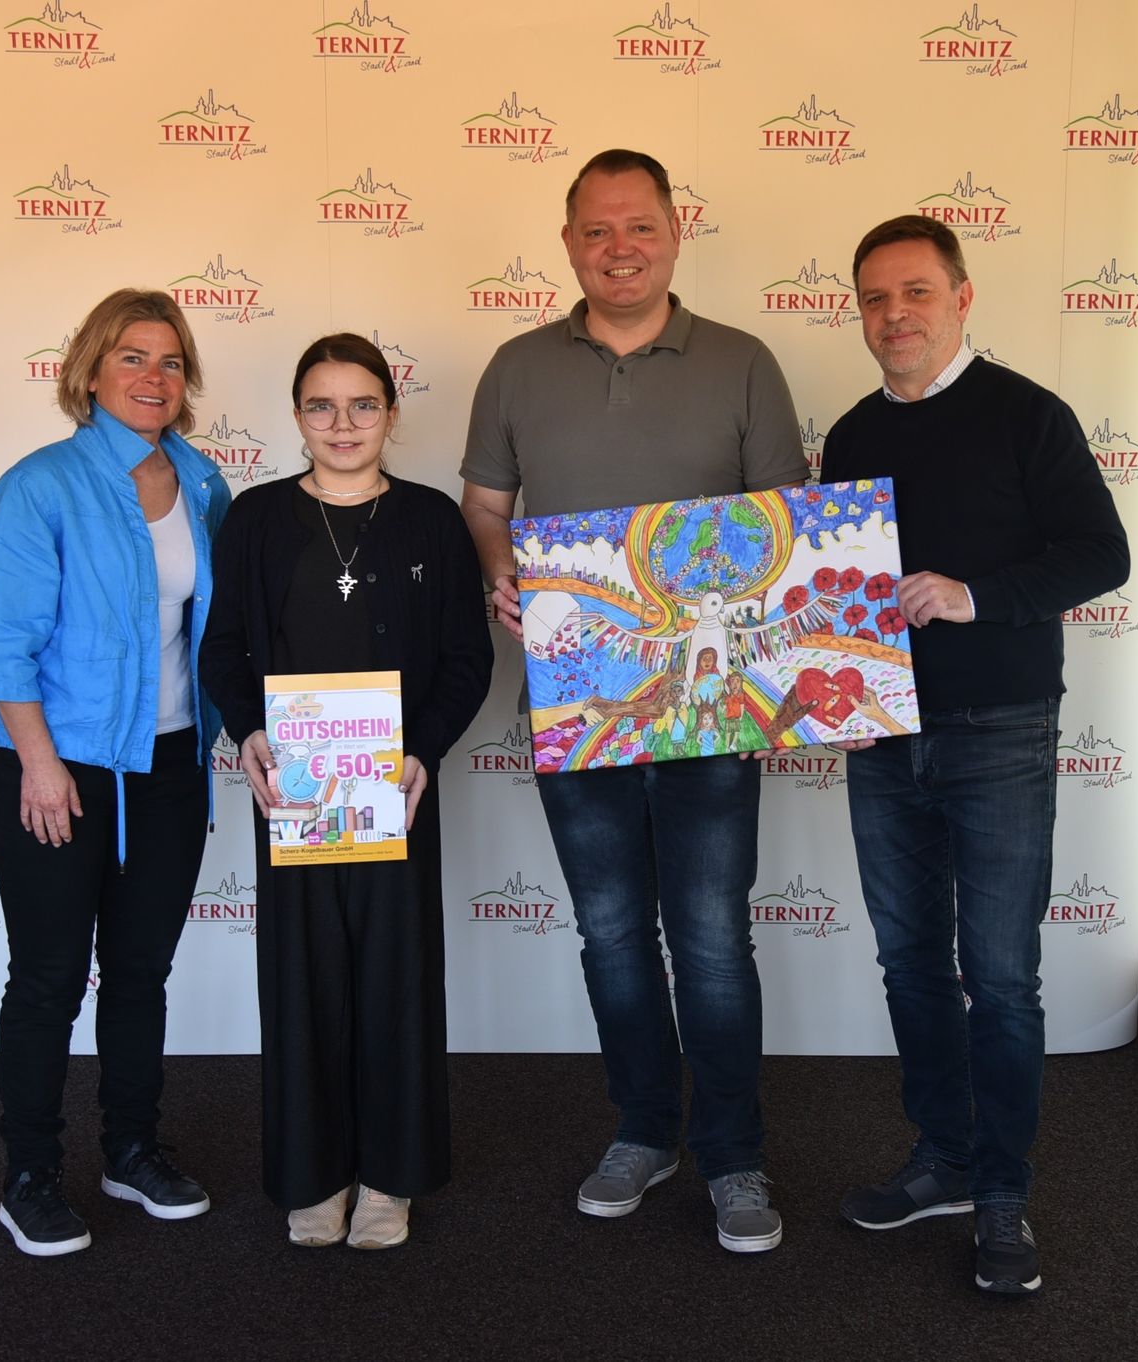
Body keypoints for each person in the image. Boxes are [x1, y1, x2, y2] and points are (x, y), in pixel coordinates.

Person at [460, 149, 806, 1252]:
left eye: (640, 227)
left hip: (712, 704)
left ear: (673, 233)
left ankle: (737, 1157)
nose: (620, 247)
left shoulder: (745, 362)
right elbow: (484, 503)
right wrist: (499, 573)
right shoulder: (515, 366)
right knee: (610, 930)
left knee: (709, 935)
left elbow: (782, 527)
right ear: (568, 241)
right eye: (598, 229)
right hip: (577, 695)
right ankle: (644, 1131)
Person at [821, 216, 1129, 1294]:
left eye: (913, 292)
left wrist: (976, 596)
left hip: (999, 731)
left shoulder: (1026, 415)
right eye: (872, 298)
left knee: (1000, 978)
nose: (892, 315)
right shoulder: (852, 436)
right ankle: (942, 1159)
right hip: (879, 731)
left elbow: (1104, 552)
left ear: (960, 296)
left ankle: (1002, 1194)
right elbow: (835, 590)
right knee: (910, 964)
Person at [200, 333, 491, 1250]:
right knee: (304, 979)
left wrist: (425, 753)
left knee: (396, 979)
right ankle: (314, 1177)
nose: (343, 424)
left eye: (362, 405)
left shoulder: (433, 521)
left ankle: (391, 1182)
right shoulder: (254, 520)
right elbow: (223, 650)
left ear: (391, 414)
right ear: (296, 418)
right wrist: (247, 732)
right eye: (321, 407)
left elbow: (466, 658)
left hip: (394, 791)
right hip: (294, 795)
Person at [0, 289, 231, 1257]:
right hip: (62, 771)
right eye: (131, 357)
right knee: (47, 980)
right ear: (89, 368)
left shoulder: (204, 486)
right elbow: (5, 650)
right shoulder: (40, 487)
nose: (152, 378)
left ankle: (132, 1148)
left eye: (169, 361)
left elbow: (216, 635)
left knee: (140, 974)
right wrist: (36, 763)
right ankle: (30, 1174)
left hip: (168, 769)